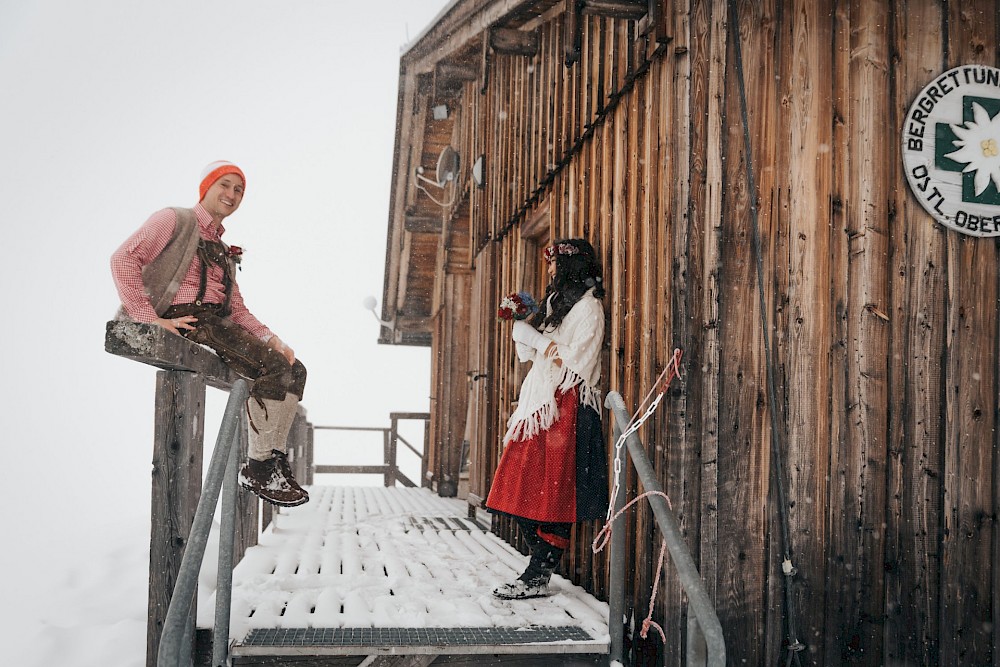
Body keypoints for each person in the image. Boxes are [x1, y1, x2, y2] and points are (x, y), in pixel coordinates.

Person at [111, 161, 309, 507]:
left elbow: (236, 309)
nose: (232, 194)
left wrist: (271, 339)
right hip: (187, 317)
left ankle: (273, 461)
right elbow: (123, 259)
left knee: (294, 368)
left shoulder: (223, 249)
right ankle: (259, 467)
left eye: (239, 190)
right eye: (225, 185)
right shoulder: (175, 219)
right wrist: (149, 318)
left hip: (217, 322)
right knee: (274, 369)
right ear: (207, 187)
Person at [486, 238, 609, 599]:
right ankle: (540, 566)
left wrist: (537, 341)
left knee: (553, 494)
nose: (551, 270)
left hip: (566, 405)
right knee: (518, 489)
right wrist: (522, 330)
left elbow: (576, 361)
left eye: (555, 263)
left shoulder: (589, 310)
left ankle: (537, 573)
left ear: (572, 266)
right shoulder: (558, 305)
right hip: (539, 403)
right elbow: (531, 356)